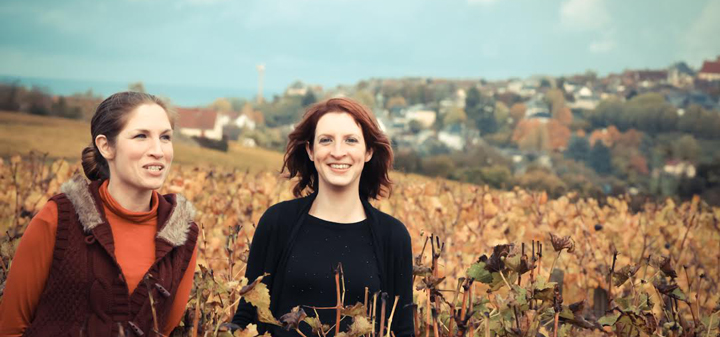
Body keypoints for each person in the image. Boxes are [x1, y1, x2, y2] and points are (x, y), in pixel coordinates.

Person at [0, 92, 199, 337]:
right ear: (106, 146)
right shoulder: (58, 218)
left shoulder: (182, 233)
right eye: (141, 136)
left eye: (165, 137)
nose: (158, 151)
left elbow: (163, 329)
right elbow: (10, 328)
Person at [232, 97, 414, 337]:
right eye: (326, 140)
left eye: (350, 140)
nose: (338, 152)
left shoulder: (393, 236)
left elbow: (402, 330)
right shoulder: (277, 222)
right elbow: (247, 315)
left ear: (368, 151)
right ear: (310, 150)